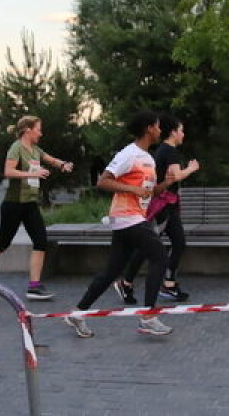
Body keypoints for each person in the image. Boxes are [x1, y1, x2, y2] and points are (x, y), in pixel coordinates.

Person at [64, 110, 172, 338]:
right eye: (158, 126)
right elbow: (102, 181)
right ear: (149, 128)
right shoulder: (128, 154)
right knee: (160, 256)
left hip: (131, 218)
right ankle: (148, 317)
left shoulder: (148, 158)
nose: (160, 130)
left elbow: (148, 193)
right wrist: (133, 189)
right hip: (127, 217)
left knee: (111, 271)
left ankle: (77, 312)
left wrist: (167, 183)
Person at [0, 116, 74, 301]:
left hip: (30, 203)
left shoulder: (35, 149)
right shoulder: (17, 147)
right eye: (38, 129)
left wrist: (62, 164)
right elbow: (8, 171)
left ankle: (34, 286)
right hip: (14, 204)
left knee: (40, 241)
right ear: (28, 130)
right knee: (2, 244)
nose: (41, 133)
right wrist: (34, 173)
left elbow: (50, 159)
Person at [114, 114, 200, 304]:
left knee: (173, 242)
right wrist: (192, 168)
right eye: (181, 130)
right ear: (174, 132)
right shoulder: (169, 151)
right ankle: (132, 283)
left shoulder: (164, 150)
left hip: (166, 204)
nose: (183, 134)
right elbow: (176, 176)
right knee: (155, 245)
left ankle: (162, 283)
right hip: (163, 205)